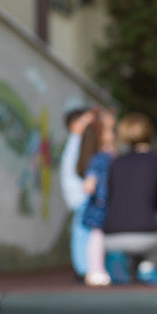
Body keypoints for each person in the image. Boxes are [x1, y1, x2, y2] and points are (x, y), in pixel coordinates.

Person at [98, 113, 157, 285]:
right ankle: (148, 266)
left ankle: (118, 258)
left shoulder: (115, 163)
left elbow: (110, 195)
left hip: (112, 235)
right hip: (147, 233)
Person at [80, 111, 118, 286]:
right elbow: (90, 179)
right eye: (108, 131)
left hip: (109, 203)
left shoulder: (113, 156)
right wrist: (90, 183)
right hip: (100, 204)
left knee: (106, 239)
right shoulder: (99, 158)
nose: (112, 134)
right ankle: (95, 270)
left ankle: (108, 270)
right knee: (97, 237)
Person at [59, 107, 96, 277]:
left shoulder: (75, 142)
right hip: (80, 195)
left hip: (78, 195)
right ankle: (83, 268)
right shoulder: (77, 142)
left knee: (83, 231)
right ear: (75, 125)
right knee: (83, 232)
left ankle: (85, 266)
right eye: (85, 121)